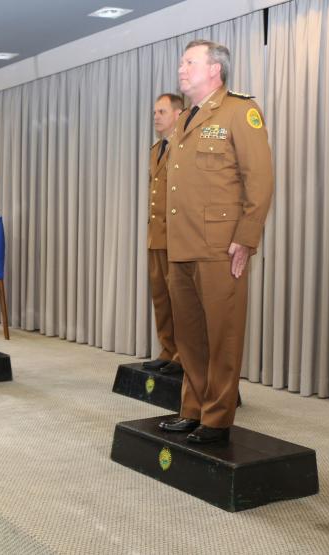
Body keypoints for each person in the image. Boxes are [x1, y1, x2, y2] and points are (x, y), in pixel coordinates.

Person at [158, 40, 274, 444]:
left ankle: (218, 418)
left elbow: (259, 181)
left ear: (215, 69)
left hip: (220, 246)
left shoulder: (241, 112)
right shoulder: (184, 119)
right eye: (181, 62)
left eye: (189, 62)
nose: (181, 69)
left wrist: (246, 239)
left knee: (222, 335)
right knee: (190, 337)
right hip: (182, 245)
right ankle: (193, 409)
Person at [142, 94, 184, 373]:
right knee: (161, 297)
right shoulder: (156, 149)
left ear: (178, 114)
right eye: (155, 111)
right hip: (156, 236)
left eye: (162, 111)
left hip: (178, 238)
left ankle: (184, 355)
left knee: (181, 299)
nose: (156, 116)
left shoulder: (185, 147)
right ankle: (168, 349)